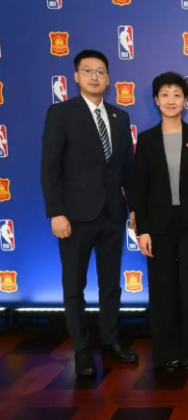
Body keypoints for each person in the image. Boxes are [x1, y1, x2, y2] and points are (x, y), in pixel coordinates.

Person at [40, 49, 138, 376]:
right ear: (76, 76)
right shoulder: (61, 113)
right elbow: (50, 167)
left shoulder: (119, 117)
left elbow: (127, 169)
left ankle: (111, 340)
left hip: (113, 215)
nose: (95, 76)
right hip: (74, 217)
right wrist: (56, 212)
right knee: (74, 287)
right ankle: (81, 349)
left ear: (108, 79)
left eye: (100, 71)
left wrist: (134, 208)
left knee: (111, 285)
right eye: (88, 71)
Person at [133, 72, 188, 372]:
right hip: (158, 226)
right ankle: (166, 352)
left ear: (185, 100)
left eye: (177, 94)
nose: (171, 100)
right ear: (156, 100)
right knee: (162, 290)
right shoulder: (146, 140)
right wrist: (143, 230)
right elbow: (139, 189)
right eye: (165, 94)